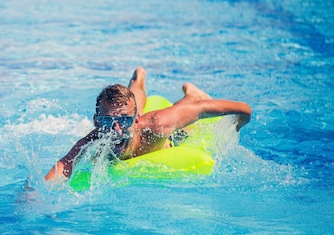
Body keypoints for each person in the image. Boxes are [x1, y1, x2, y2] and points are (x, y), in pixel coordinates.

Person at [44, 67, 251, 182]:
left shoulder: (157, 125)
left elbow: (242, 108)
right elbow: (63, 166)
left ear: (135, 121)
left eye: (124, 121)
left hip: (170, 137)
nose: (116, 130)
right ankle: (138, 79)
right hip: (132, 116)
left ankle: (190, 93)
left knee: (186, 115)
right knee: (130, 102)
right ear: (97, 122)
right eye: (108, 121)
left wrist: (235, 127)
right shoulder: (94, 139)